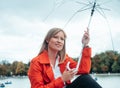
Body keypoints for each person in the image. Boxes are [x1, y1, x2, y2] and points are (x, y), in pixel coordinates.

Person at [28, 27, 102, 88]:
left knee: (85, 78)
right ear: (47, 40)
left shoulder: (64, 59)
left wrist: (85, 45)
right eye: (55, 37)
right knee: (85, 79)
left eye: (62, 39)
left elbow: (84, 70)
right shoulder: (36, 62)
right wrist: (62, 79)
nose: (59, 41)